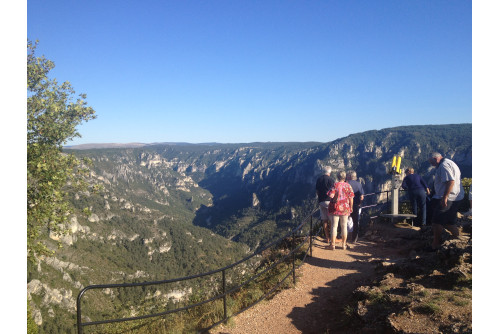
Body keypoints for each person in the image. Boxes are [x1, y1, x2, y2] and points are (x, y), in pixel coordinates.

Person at [428, 152, 465, 250]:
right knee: (449, 222)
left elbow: (450, 181)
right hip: (456, 196)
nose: (432, 165)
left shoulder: (444, 166)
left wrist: (445, 197)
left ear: (436, 159)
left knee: (436, 221)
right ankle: (458, 239)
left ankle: (436, 245)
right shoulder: (449, 162)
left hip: (449, 198)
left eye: (432, 162)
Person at [327, 171, 354, 250]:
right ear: (344, 177)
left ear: (338, 177)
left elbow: (331, 195)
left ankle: (332, 245)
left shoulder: (335, 184)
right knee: (344, 226)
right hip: (345, 208)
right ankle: (344, 245)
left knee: (334, 226)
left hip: (336, 208)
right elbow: (351, 198)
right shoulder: (348, 186)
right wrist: (351, 207)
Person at [316, 166, 335, 243]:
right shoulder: (331, 180)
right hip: (329, 201)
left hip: (321, 201)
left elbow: (317, 191)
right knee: (332, 220)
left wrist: (320, 198)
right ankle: (332, 237)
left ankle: (327, 237)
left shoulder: (319, 179)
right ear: (329, 172)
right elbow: (334, 191)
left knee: (324, 220)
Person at [347, 170, 364, 243]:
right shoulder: (359, 184)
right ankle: (354, 239)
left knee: (345, 222)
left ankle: (345, 238)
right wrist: (359, 203)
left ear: (349, 177)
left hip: (346, 206)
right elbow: (362, 197)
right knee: (355, 222)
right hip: (356, 205)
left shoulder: (346, 184)